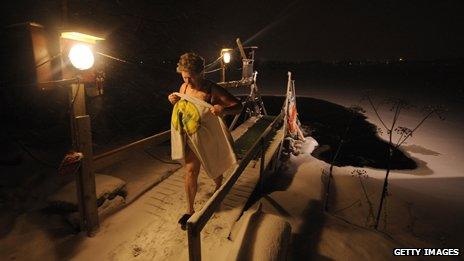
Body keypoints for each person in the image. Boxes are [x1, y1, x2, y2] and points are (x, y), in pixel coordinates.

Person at [168, 52, 242, 229]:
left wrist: (222, 109)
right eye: (184, 77)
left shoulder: (212, 89)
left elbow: (238, 106)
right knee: (191, 171)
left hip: (209, 137)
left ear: (201, 73)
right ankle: (190, 210)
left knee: (214, 167)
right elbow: (186, 105)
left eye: (191, 78)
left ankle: (218, 190)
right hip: (191, 137)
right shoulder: (184, 87)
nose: (187, 82)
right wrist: (174, 100)